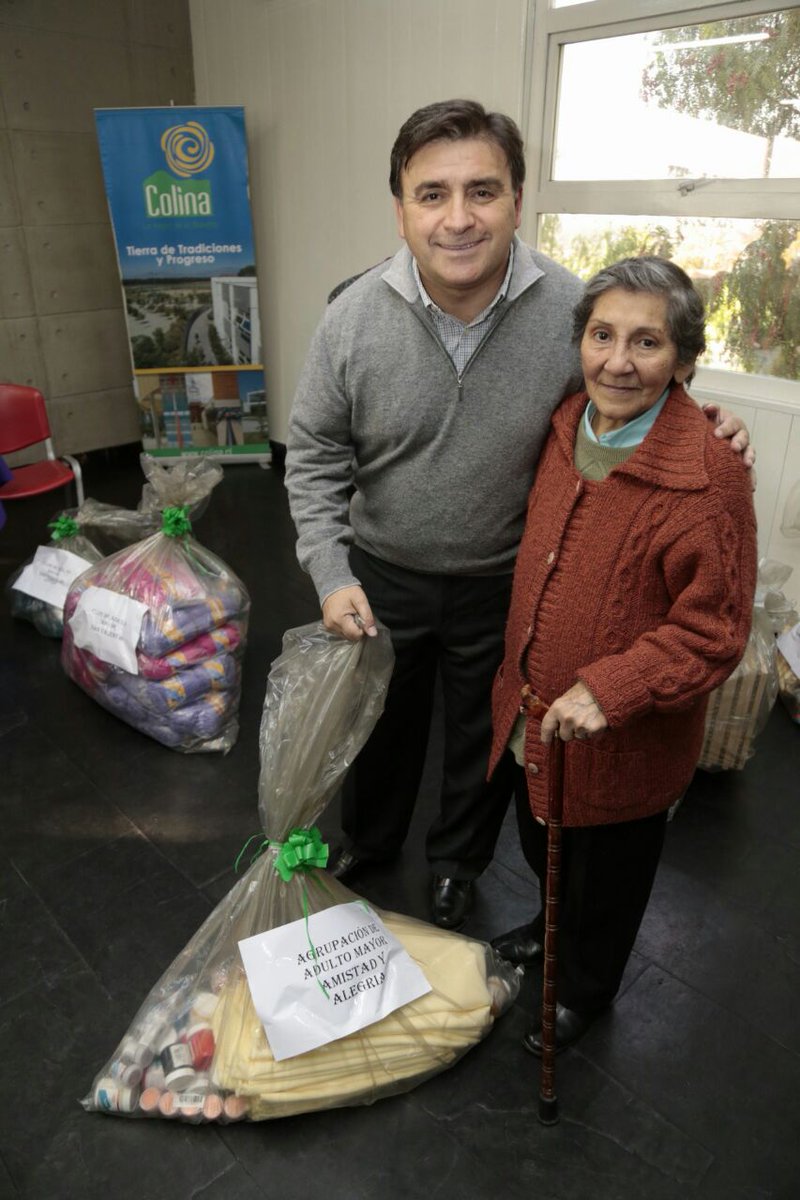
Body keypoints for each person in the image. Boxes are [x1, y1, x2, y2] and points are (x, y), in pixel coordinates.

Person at [285, 100, 752, 932]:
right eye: (432, 194)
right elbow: (315, 450)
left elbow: (629, 387)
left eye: (482, 191)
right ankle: (371, 841)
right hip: (381, 575)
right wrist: (329, 569)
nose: (458, 218)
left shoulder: (570, 309)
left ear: (517, 201)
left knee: (484, 739)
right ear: (400, 208)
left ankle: (456, 864)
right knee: (380, 725)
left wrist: (705, 420)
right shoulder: (350, 315)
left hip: (509, 582)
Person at [487, 256, 757, 1054]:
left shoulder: (709, 474)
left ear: (684, 358)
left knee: (607, 878)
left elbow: (715, 630)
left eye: (647, 342)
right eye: (602, 335)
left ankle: (586, 987)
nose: (618, 361)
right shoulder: (566, 423)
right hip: (533, 714)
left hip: (625, 743)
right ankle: (552, 928)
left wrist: (613, 688)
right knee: (543, 839)